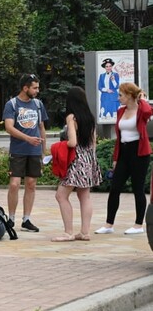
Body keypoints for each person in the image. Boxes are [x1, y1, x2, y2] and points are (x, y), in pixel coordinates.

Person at [96, 82, 151, 235]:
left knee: (138, 189)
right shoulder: (121, 111)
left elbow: (148, 112)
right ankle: (108, 224)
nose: (118, 97)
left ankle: (139, 225)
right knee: (115, 188)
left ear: (129, 95)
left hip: (139, 153)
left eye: (120, 95)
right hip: (124, 152)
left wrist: (142, 99)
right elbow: (119, 137)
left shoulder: (141, 110)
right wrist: (115, 158)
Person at [52, 87, 101, 242]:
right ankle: (85, 232)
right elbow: (94, 142)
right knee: (84, 196)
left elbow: (72, 142)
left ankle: (68, 232)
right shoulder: (89, 117)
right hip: (89, 158)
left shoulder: (71, 118)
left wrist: (60, 145)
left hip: (76, 160)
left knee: (61, 195)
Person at [3, 74, 48, 231]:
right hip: (18, 150)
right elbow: (9, 127)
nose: (37, 91)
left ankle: (26, 219)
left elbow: (41, 128)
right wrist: (28, 139)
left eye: (37, 87)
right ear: (25, 88)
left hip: (34, 151)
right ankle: (11, 218)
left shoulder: (37, 104)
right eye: (34, 88)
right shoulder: (12, 104)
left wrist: (44, 152)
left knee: (31, 184)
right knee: (14, 184)